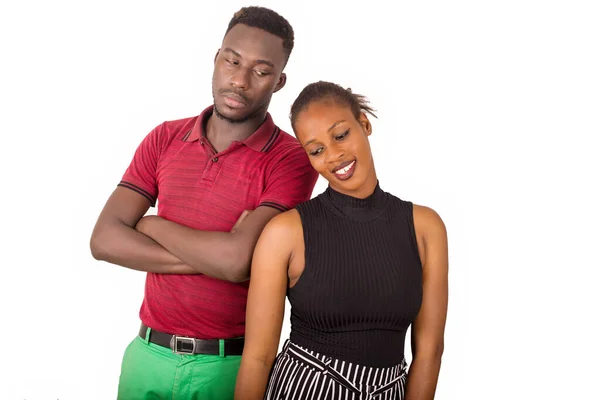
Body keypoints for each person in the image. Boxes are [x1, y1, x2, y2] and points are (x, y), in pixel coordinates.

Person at [89, 6, 318, 399]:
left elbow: (236, 262)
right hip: (146, 356)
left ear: (279, 82)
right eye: (232, 61)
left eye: (261, 71)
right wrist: (215, 255)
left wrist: (150, 225)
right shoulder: (164, 138)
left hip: (229, 367)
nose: (240, 80)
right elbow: (104, 241)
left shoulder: (290, 158)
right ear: (216, 59)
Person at [234, 81, 448, 400]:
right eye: (317, 150)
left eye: (341, 135)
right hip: (303, 390)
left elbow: (429, 353)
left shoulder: (426, 227)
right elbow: (258, 358)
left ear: (364, 124)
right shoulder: (285, 233)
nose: (334, 156)